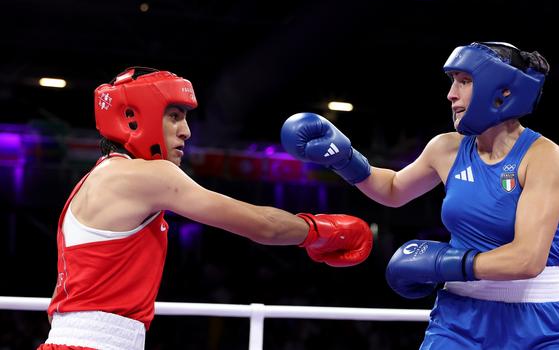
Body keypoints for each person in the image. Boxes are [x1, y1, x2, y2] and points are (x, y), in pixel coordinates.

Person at [38, 67, 374, 350]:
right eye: (174, 117)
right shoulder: (146, 176)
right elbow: (262, 225)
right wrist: (320, 232)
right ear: (133, 117)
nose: (185, 131)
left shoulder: (95, 179)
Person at [281, 42, 559, 348]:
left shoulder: (543, 155)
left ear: (502, 90)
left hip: (538, 322)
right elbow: (394, 189)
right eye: (452, 82)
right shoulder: (447, 148)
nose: (451, 94)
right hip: (458, 320)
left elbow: (528, 259)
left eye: (464, 81)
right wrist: (345, 159)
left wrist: (442, 263)